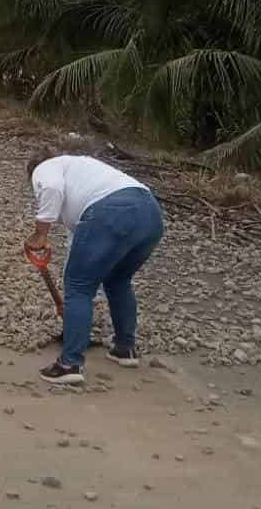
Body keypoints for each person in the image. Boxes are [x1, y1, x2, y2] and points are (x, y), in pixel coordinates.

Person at [26, 149, 165, 386]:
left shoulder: (46, 168)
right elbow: (80, 238)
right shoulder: (83, 170)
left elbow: (51, 188)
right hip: (151, 214)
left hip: (112, 212)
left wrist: (40, 234)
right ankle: (124, 349)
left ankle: (69, 363)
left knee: (79, 287)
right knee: (117, 280)